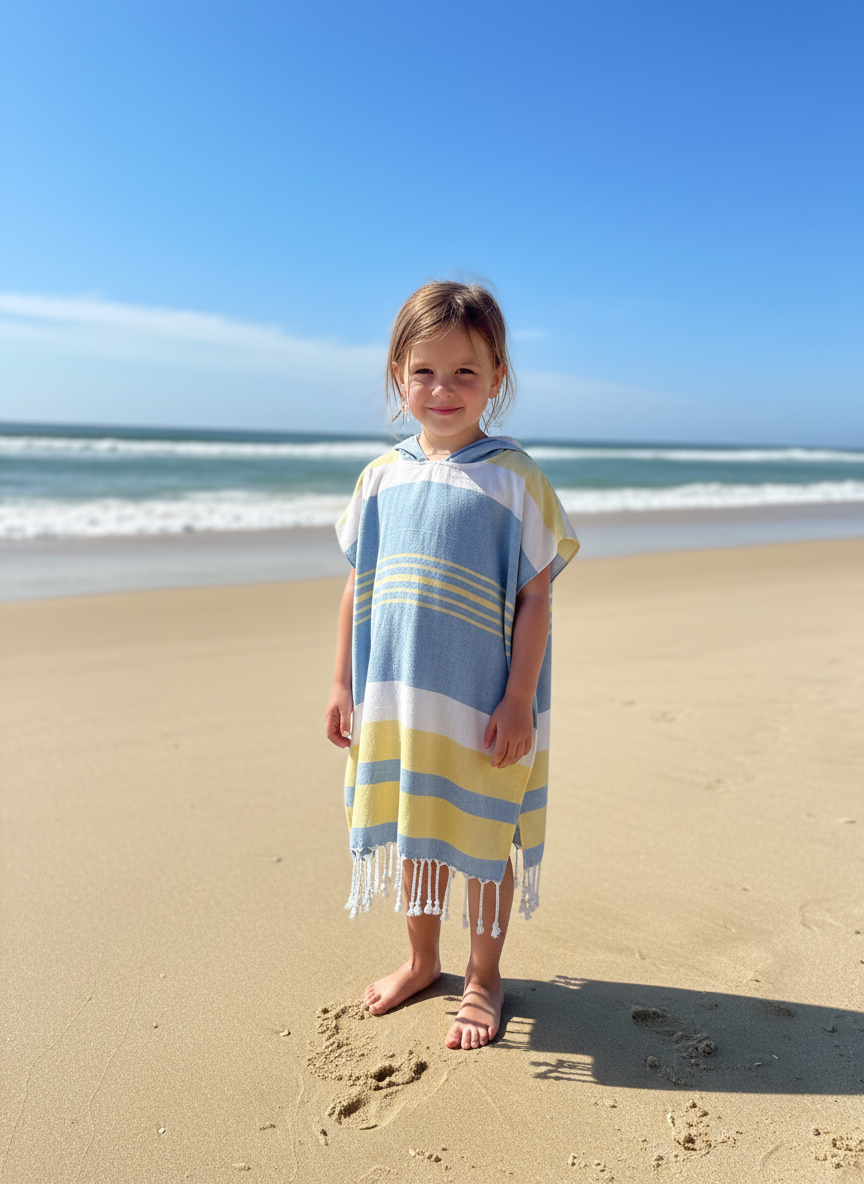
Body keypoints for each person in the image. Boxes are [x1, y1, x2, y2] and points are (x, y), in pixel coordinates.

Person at [324, 281, 578, 1050]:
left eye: (466, 373)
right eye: (425, 371)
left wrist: (519, 700)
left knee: (483, 837)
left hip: (481, 702)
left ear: (497, 378)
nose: (443, 390)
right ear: (399, 374)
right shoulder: (379, 476)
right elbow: (355, 585)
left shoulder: (513, 476)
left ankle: (484, 976)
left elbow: (536, 598)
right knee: (420, 832)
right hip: (399, 698)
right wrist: (341, 682)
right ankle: (422, 960)